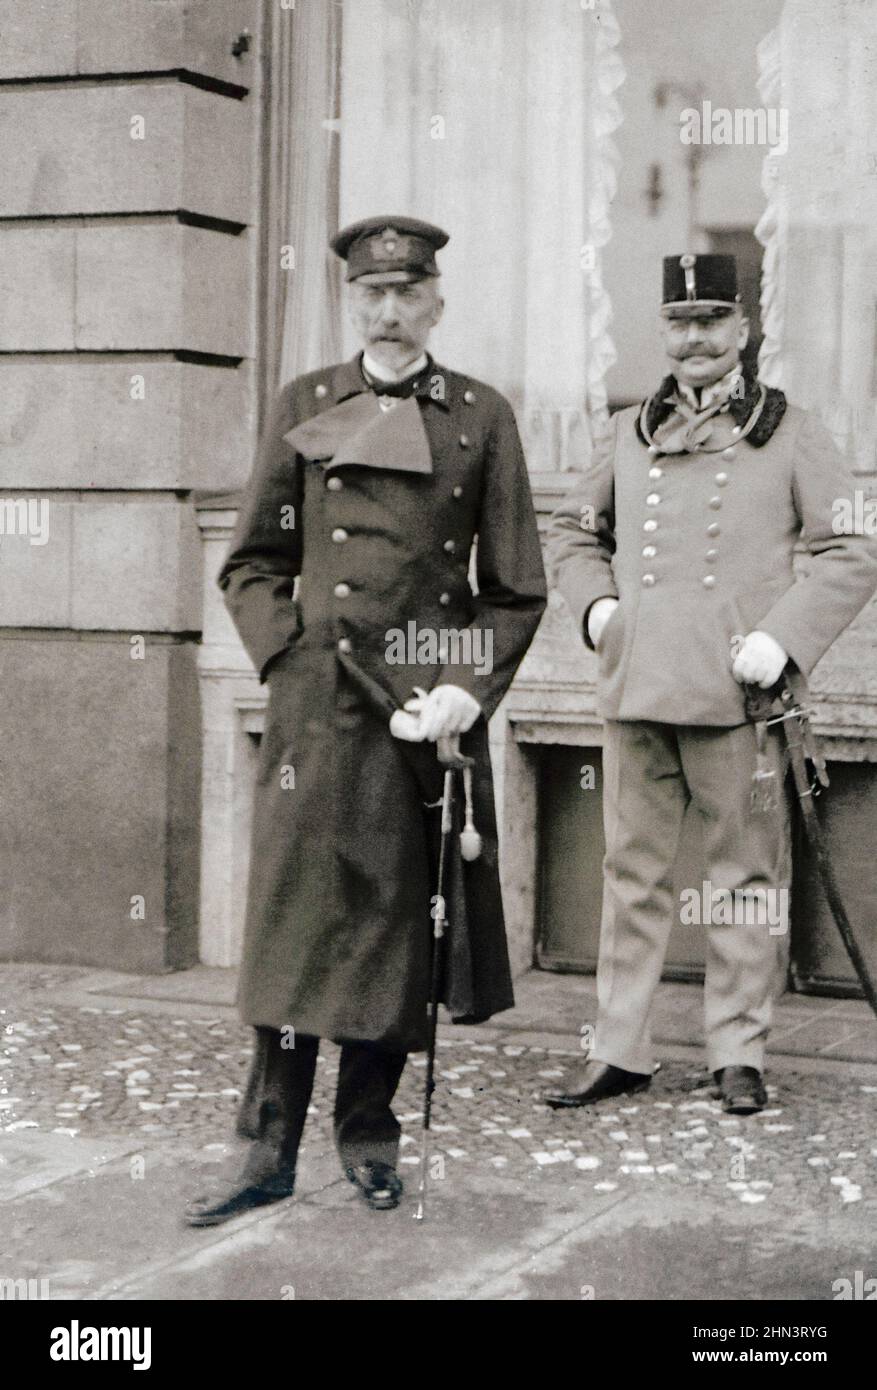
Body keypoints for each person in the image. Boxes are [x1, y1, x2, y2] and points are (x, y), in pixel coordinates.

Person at [185, 216, 546, 1225]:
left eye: (407, 292)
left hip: (422, 709)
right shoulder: (306, 403)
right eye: (370, 294)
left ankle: (369, 1138)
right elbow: (252, 559)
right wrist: (288, 656)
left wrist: (462, 688)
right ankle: (262, 1153)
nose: (388, 312)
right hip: (316, 716)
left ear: (437, 298)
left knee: (394, 928)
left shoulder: (480, 415)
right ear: (352, 300)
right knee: (296, 931)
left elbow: (514, 589)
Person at [544, 253, 877, 1115]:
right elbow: (574, 534)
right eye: (678, 323)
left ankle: (738, 1052)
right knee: (630, 874)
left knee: (743, 878)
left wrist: (781, 636)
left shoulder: (790, 430)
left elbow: (849, 548)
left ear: (742, 330)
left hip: (739, 698)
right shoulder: (625, 431)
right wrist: (597, 614)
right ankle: (617, 1048)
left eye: (711, 321)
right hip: (638, 688)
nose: (694, 339)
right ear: (661, 333)